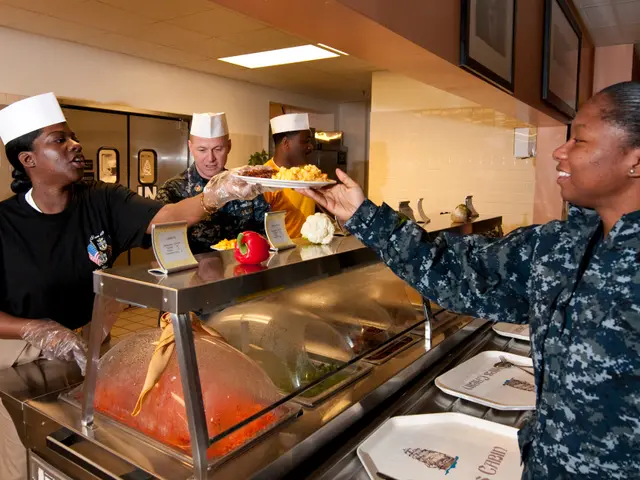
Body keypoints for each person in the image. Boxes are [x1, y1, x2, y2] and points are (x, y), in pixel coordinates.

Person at [303, 81, 640, 479]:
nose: (559, 151)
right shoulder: (560, 245)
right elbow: (460, 270)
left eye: (580, 140)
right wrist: (364, 216)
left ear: (635, 160)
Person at [0, 93, 269, 480]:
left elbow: (169, 217)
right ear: (28, 160)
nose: (75, 145)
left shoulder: (101, 201)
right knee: (27, 455)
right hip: (20, 358)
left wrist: (217, 193)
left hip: (90, 344)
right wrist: (36, 329)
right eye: (59, 140)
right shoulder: (5, 224)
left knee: (89, 448)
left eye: (72, 136)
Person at [156, 112, 269, 253]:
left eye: (218, 149)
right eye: (202, 150)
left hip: (244, 268)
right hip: (192, 272)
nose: (210, 158)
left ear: (229, 146)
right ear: (190, 148)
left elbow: (266, 232)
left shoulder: (245, 185)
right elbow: (162, 243)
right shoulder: (172, 190)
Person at [264, 113, 315, 237]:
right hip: (284, 254)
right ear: (286, 143)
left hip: (312, 251)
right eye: (305, 141)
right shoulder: (266, 178)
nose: (310, 146)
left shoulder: (308, 173)